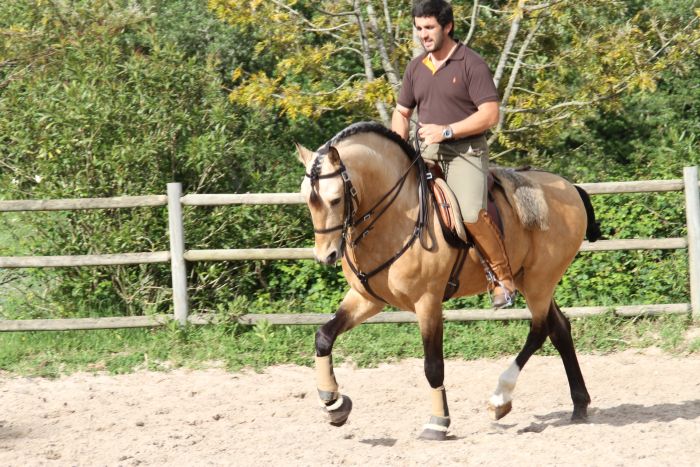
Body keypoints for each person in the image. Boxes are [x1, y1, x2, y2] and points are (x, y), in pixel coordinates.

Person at [391, 0, 515, 308]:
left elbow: (490, 115)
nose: (423, 35)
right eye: (419, 29)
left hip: (465, 153)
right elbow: (401, 111)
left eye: (429, 28)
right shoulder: (416, 67)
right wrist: (397, 146)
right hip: (426, 152)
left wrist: (446, 131)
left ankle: (502, 278)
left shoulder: (471, 63)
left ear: (448, 26)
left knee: (471, 213)